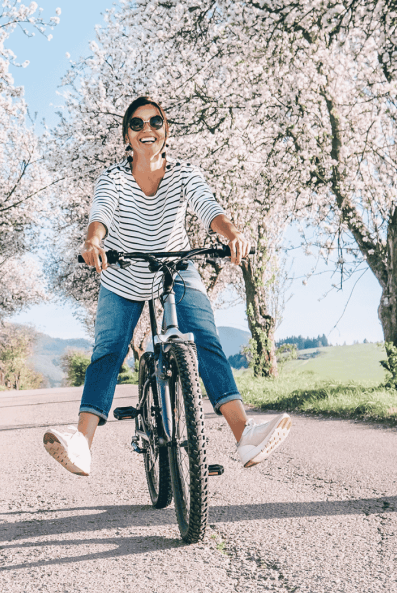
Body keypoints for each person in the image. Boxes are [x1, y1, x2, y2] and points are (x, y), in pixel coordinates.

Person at [43, 96, 291, 476]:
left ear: (166, 130)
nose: (147, 130)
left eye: (155, 122)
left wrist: (232, 233)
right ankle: (82, 444)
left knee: (204, 338)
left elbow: (209, 208)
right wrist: (94, 242)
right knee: (108, 352)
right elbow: (101, 214)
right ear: (127, 135)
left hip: (175, 269)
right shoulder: (112, 178)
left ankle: (246, 436)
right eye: (137, 124)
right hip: (123, 272)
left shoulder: (184, 173)